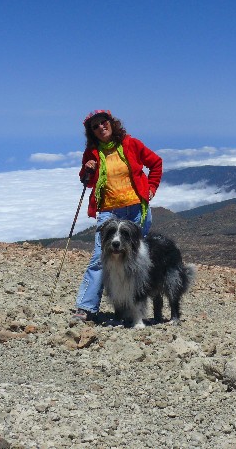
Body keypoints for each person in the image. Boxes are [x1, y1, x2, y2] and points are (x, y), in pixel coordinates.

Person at [72, 109, 163, 321]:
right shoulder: (92, 153)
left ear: (111, 123)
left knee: (135, 259)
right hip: (108, 211)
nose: (101, 127)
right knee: (99, 258)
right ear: (91, 132)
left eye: (103, 122)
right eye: (95, 126)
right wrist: (88, 169)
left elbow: (156, 163)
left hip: (136, 210)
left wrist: (151, 189)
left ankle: (130, 307)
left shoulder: (131, 144)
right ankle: (86, 308)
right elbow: (87, 180)